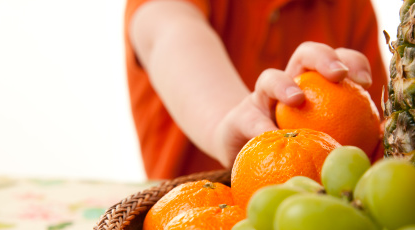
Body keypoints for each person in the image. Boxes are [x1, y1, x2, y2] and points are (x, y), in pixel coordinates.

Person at [124, 0, 388, 180]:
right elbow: (167, 32)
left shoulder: (351, 6)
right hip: (189, 226)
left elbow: (374, 135)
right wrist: (228, 121)